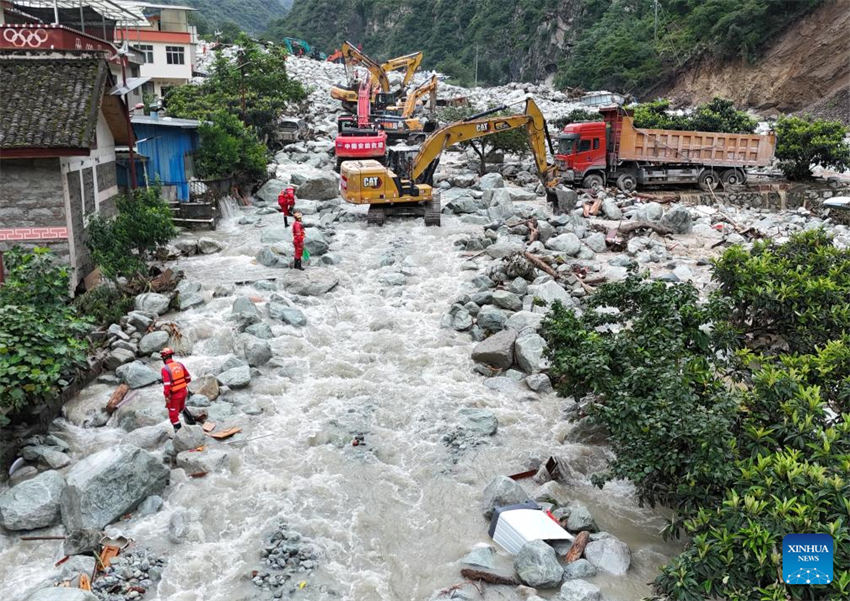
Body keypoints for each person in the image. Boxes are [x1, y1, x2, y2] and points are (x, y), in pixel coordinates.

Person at [161, 347, 195, 431]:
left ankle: (179, 434)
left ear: (164, 357)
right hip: (184, 391)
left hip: (175, 395)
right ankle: (192, 422)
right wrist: (181, 385)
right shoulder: (180, 364)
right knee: (181, 407)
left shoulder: (165, 369)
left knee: (173, 415)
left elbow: (167, 385)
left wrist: (166, 396)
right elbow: (188, 378)